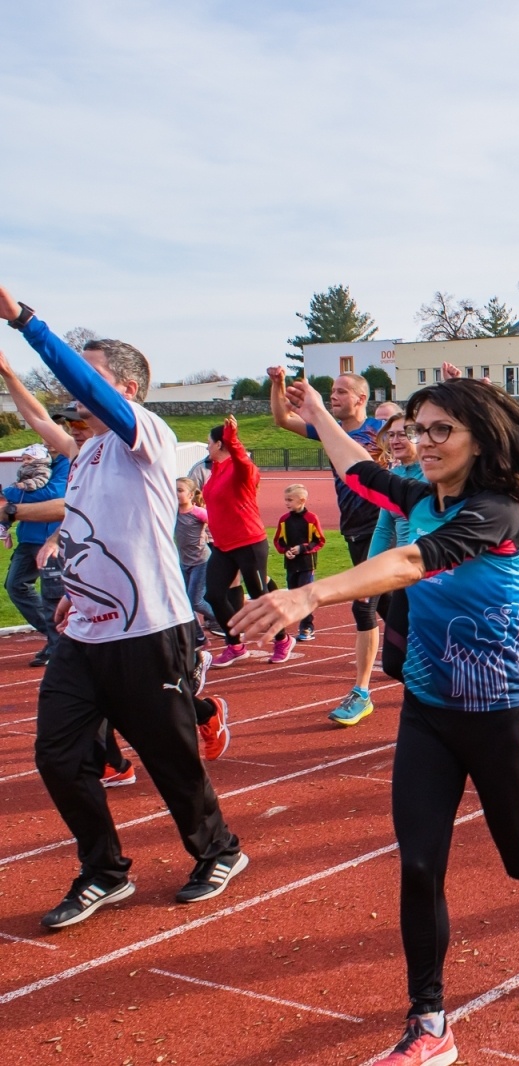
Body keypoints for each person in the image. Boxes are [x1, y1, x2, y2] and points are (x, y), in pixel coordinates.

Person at [230, 375, 519, 1065]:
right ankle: (431, 1022)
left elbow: (413, 560)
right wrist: (320, 412)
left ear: (480, 439)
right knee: (419, 865)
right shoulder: (415, 495)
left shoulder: (495, 513)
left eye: (442, 430)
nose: (424, 442)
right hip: (425, 712)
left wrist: (310, 593)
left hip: (496, 715)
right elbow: (357, 469)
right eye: (419, 429)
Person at [3, 285, 244, 928]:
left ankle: (217, 849)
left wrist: (24, 321)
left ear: (127, 389)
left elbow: (81, 384)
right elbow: (85, 521)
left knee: (169, 758)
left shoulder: (148, 437)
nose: (76, 387)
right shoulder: (87, 456)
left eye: (93, 374)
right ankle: (104, 871)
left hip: (150, 628)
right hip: (83, 632)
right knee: (58, 756)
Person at [270, 366, 389, 725]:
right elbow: (282, 420)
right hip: (354, 532)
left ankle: (362, 691)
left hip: (383, 527)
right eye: (331, 393)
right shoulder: (330, 432)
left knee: (365, 607)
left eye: (340, 392)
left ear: (361, 398)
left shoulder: (380, 431)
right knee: (393, 610)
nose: (333, 397)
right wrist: (277, 385)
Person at [203, 416, 294, 665]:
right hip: (223, 546)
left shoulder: (240, 468)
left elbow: (244, 463)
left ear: (220, 444)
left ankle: (283, 639)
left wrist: (233, 440)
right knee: (213, 595)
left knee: (259, 595)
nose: (207, 448)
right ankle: (235, 645)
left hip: (248, 542)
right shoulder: (215, 471)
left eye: (209, 443)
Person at [371, 412, 428, 680]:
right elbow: (384, 528)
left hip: (430, 571)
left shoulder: (432, 473)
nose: (395, 439)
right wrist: (369, 571)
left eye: (403, 433)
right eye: (391, 434)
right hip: (403, 574)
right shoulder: (394, 475)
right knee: (394, 661)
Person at [1, 440, 69, 666]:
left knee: (52, 594)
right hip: (28, 537)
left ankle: (59, 647)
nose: (48, 443)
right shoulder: (33, 463)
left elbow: (54, 494)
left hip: (51, 540)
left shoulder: (66, 463)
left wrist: (10, 495)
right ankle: (56, 638)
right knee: (15, 585)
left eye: (51, 438)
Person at [273, 484, 326, 644]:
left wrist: (303, 548)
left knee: (305, 596)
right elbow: (278, 540)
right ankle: (294, 621)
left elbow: (319, 540)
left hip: (306, 565)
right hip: (291, 565)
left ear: (302, 500)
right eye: (285, 500)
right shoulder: (284, 520)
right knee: (293, 595)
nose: (286, 503)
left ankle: (306, 627)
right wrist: (286, 550)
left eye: (290, 500)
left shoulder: (311, 519)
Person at [174, 476, 220, 641]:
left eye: (180, 490)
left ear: (191, 494)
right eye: (174, 490)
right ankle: (198, 635)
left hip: (201, 561)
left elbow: (217, 524)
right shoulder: (172, 513)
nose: (176, 494)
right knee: (184, 601)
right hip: (184, 562)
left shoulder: (198, 513)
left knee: (195, 601)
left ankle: (224, 620)